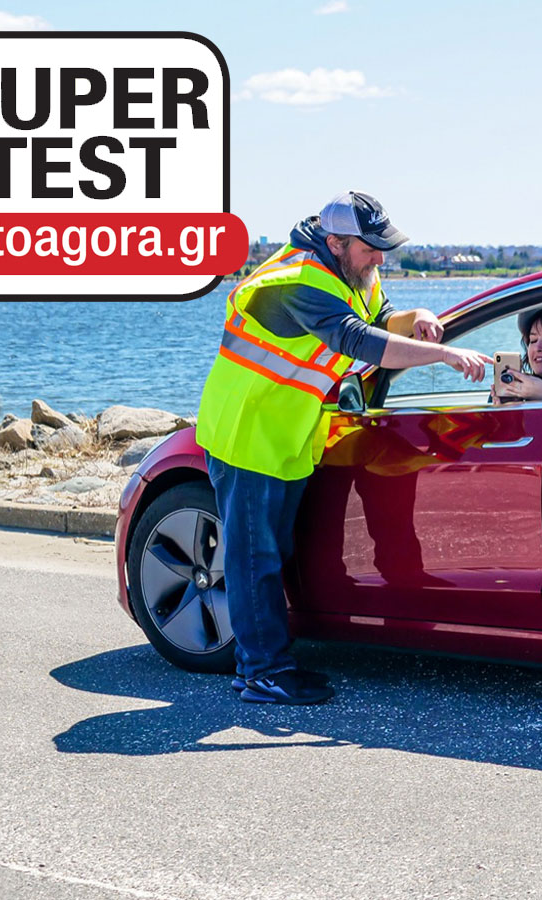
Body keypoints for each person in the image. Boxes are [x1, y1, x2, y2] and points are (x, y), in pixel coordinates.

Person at [195, 190, 489, 705]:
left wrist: (417, 313)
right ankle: (261, 671)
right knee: (253, 558)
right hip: (246, 435)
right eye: (370, 248)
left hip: (286, 435)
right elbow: (359, 340)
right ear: (335, 242)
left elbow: (382, 317)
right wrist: (442, 354)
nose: (380, 258)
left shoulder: (353, 272)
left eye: (384, 248)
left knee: (274, 553)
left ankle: (270, 661)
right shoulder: (295, 284)